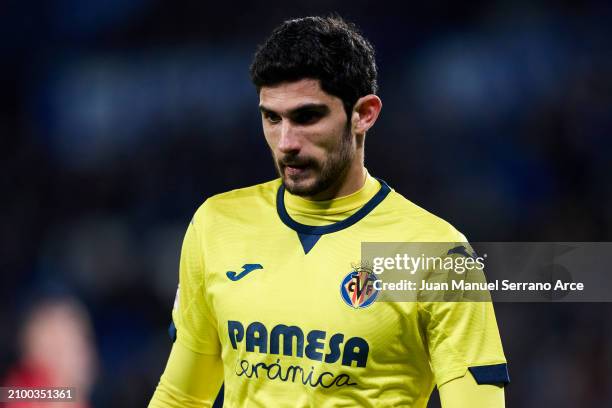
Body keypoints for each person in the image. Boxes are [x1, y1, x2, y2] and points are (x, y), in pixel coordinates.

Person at [149, 15, 508, 407]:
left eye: (307, 117)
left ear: (364, 114)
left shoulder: (435, 252)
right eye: (272, 117)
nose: (286, 142)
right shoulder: (216, 225)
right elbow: (181, 396)